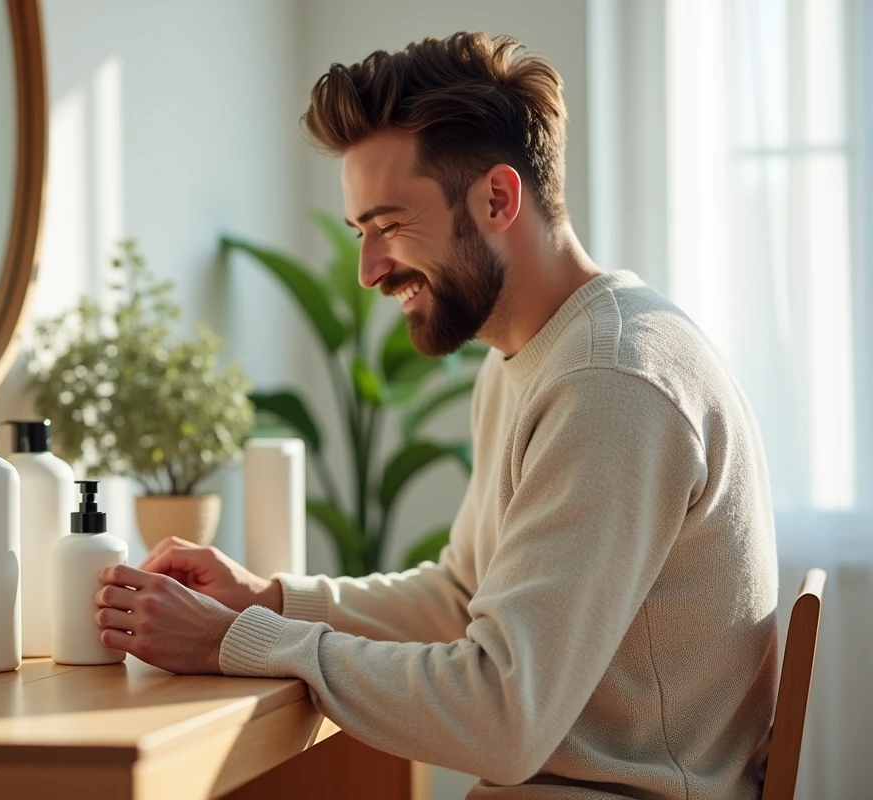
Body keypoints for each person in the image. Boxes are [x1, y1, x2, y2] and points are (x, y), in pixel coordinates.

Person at [93, 31, 779, 799]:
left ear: (497, 200)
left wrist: (243, 640)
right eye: (361, 233)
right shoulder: (533, 355)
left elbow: (504, 716)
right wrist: (270, 600)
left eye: (388, 225)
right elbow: (462, 597)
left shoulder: (608, 383)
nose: (368, 270)